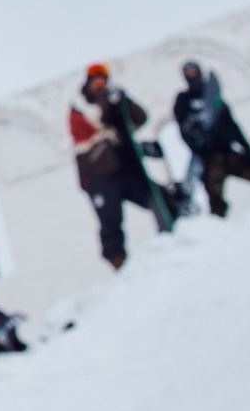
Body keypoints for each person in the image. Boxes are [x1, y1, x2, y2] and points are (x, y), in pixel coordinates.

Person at [70, 63, 173, 268]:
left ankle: (171, 238)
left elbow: (138, 119)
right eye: (96, 81)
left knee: (159, 197)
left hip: (125, 169)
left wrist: (124, 100)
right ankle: (120, 265)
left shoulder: (115, 100)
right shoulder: (81, 107)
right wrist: (107, 102)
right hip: (99, 175)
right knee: (110, 220)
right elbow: (93, 127)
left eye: (104, 80)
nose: (101, 84)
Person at [173, 60, 250, 217]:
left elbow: (233, 126)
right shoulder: (182, 101)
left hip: (229, 152)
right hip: (209, 159)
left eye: (194, 72)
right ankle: (222, 234)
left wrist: (249, 151)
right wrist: (201, 152)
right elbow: (184, 133)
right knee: (216, 204)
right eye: (188, 73)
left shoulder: (215, 99)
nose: (192, 76)